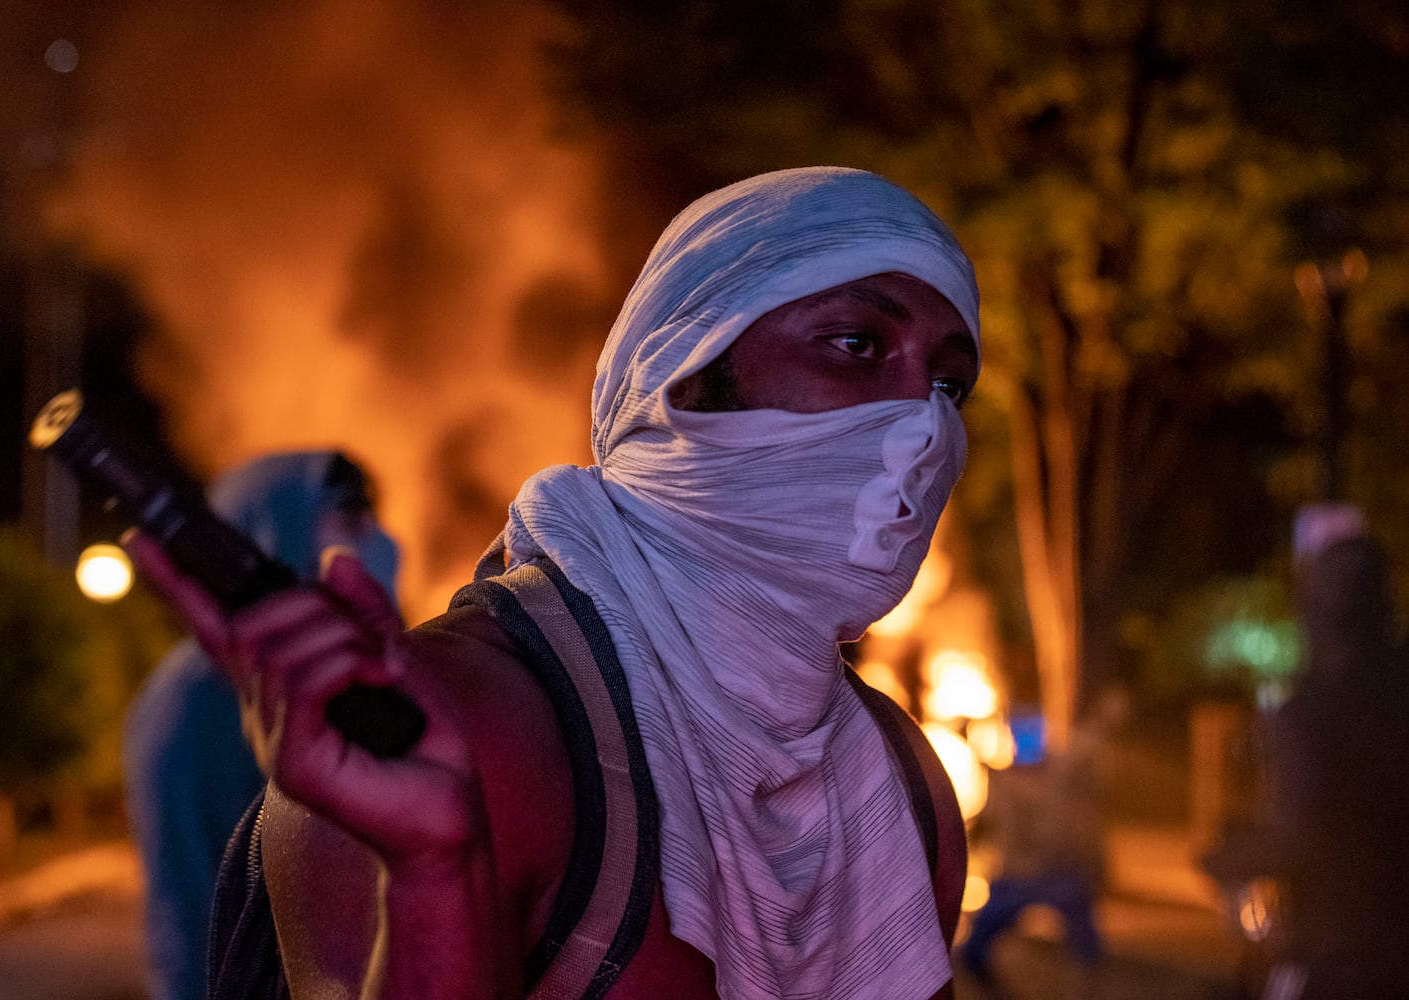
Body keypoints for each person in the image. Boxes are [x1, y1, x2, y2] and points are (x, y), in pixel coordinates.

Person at [130, 166, 980, 999]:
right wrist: (434, 875)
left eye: (949, 383)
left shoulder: (901, 786)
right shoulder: (467, 726)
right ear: (679, 372)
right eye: (856, 345)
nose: (923, 421)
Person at [123, 451, 400, 1000]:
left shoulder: (349, 683)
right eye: (348, 520)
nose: (381, 542)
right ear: (271, 532)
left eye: (374, 520)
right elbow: (188, 919)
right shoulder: (194, 699)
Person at [1203, 530, 1409, 999]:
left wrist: (1228, 858)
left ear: (1319, 614)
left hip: (1340, 955)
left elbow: (1297, 835)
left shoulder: (1309, 713)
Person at [957, 686, 1129, 997]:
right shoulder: (1002, 779)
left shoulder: (1059, 770)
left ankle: (1079, 993)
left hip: (1055, 873)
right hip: (1015, 878)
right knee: (973, 951)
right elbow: (981, 822)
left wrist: (1106, 715)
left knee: (1086, 941)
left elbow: (1088, 743)